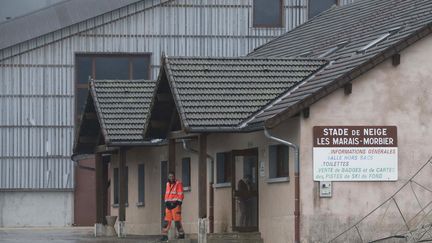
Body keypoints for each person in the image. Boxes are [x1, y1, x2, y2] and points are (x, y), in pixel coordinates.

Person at [160, 171, 185, 241]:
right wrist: (166, 202)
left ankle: (181, 234)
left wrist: (178, 203)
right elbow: (166, 194)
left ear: (174, 177)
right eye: (170, 176)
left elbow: (180, 194)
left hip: (175, 205)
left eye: (172, 176)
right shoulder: (167, 184)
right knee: (166, 221)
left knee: (177, 221)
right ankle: (164, 236)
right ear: (168, 177)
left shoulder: (178, 184)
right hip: (168, 205)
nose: (171, 178)